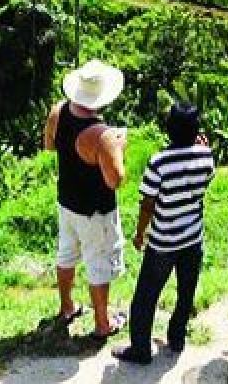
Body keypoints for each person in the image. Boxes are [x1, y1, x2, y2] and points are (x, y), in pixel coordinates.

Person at [114, 102, 216, 366]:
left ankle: (140, 349)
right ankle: (177, 338)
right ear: (196, 130)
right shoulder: (207, 156)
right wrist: (202, 147)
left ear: (169, 129)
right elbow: (205, 180)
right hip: (192, 237)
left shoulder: (159, 162)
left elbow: (148, 204)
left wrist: (139, 234)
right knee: (186, 291)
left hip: (163, 241)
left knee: (145, 297)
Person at [44, 59, 128, 341]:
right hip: (95, 211)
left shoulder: (58, 111)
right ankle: (103, 323)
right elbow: (115, 180)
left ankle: (67, 307)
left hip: (66, 200)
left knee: (66, 253)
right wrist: (118, 148)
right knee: (98, 262)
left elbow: (49, 145)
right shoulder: (101, 135)